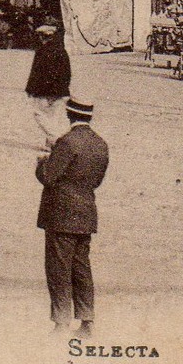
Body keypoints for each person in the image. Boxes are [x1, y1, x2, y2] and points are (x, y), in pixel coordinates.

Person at [36, 99, 110, 337]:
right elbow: (97, 181)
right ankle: (87, 321)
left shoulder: (67, 142)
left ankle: (60, 322)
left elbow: (48, 176)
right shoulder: (101, 144)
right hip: (86, 213)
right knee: (81, 268)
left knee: (58, 268)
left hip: (61, 213)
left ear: (69, 115)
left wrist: (44, 159)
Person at [25, 20, 72, 147]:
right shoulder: (62, 50)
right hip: (60, 90)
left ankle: (54, 139)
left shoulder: (43, 52)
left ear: (43, 36)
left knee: (39, 114)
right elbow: (66, 73)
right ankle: (50, 144)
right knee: (53, 118)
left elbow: (39, 73)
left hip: (45, 91)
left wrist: (31, 89)